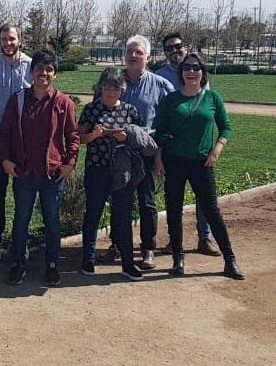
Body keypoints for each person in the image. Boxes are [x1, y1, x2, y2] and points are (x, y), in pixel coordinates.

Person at [153, 53, 245, 280]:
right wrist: (158, 158)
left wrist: (217, 148)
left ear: (202, 72)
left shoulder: (212, 98)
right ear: (181, 72)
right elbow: (159, 132)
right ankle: (178, 257)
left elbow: (226, 127)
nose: (191, 71)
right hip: (174, 160)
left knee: (212, 211)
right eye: (187, 68)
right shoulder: (171, 100)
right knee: (174, 210)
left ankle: (229, 259)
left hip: (202, 162)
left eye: (196, 67)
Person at [0, 50, 80, 286]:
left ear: (54, 73)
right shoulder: (18, 100)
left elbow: (72, 135)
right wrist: (5, 160)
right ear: (31, 71)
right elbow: (5, 134)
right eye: (39, 69)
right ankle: (18, 263)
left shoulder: (63, 102)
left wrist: (70, 163)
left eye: (48, 69)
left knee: (52, 220)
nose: (43, 74)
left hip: (52, 174)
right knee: (21, 219)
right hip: (23, 172)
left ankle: (52, 263)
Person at [98, 35, 173, 270]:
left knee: (147, 202)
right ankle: (118, 245)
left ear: (148, 57)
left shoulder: (161, 86)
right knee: (120, 200)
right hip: (118, 153)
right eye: (130, 51)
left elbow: (169, 124)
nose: (133, 56)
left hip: (147, 152)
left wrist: (160, 154)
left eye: (138, 52)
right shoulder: (113, 81)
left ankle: (148, 248)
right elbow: (97, 110)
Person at [78, 68, 155, 281]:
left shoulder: (130, 111)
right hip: (98, 168)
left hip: (123, 171)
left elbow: (140, 140)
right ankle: (88, 258)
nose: (111, 91)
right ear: (101, 87)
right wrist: (93, 135)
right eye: (107, 87)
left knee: (123, 216)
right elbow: (80, 138)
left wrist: (124, 138)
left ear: (122, 90)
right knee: (93, 213)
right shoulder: (91, 110)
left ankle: (127, 262)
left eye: (116, 88)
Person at [155, 32, 218, 257]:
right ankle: (175, 240)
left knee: (204, 197)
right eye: (169, 48)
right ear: (164, 52)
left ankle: (205, 237)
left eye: (177, 46)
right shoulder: (160, 76)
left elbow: (207, 109)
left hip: (199, 148)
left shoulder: (198, 72)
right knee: (174, 198)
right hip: (173, 148)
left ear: (185, 46)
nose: (174, 51)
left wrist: (215, 144)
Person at [0, 23, 32, 263]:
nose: (7, 43)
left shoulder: (33, 66)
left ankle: (21, 239)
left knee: (24, 192)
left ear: (19, 40)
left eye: (12, 39)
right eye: (3, 39)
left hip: (26, 141)